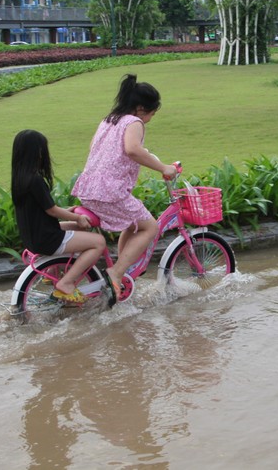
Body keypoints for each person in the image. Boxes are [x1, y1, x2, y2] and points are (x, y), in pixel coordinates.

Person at [72, 74, 177, 302]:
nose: (150, 117)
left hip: (89, 188)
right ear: (141, 108)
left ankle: (124, 270)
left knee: (132, 224)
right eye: (151, 112)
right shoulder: (134, 122)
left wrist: (143, 153)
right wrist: (163, 167)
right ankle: (117, 272)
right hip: (109, 191)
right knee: (149, 227)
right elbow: (131, 149)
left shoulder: (109, 119)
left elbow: (99, 147)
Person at [11, 129, 106, 305]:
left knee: (76, 228)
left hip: (34, 235)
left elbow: (43, 208)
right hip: (47, 238)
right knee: (98, 242)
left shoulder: (20, 179)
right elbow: (52, 211)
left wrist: (69, 212)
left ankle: (55, 271)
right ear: (37, 152)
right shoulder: (35, 180)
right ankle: (66, 283)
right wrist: (77, 217)